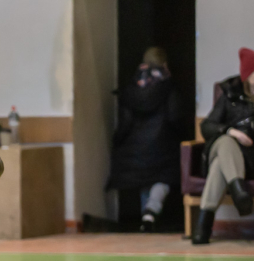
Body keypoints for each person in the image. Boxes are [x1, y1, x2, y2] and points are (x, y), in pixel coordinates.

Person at [108, 47, 183, 232]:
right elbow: (174, 117)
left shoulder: (133, 86)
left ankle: (146, 217)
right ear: (164, 63)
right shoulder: (168, 85)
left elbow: (125, 122)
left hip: (136, 146)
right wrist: (181, 135)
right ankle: (151, 211)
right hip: (163, 143)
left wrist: (117, 140)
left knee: (143, 181)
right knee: (163, 179)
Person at [193, 47, 254, 244]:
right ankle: (239, 193)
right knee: (225, 142)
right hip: (226, 149)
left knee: (219, 164)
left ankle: (203, 226)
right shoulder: (229, 95)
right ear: (247, 76)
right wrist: (231, 131)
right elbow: (206, 126)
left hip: (249, 159)